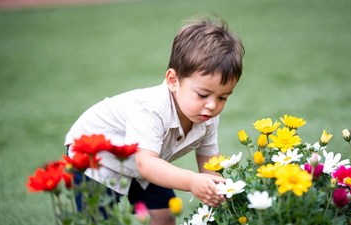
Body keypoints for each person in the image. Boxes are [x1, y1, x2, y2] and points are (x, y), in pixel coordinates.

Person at [64, 16, 245, 225]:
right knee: (98, 220)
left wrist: (218, 190)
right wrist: (192, 181)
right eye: (203, 95)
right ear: (173, 81)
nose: (212, 105)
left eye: (223, 97)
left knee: (165, 214)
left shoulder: (207, 115)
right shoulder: (151, 109)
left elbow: (209, 159)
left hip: (143, 158)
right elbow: (146, 164)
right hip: (96, 156)